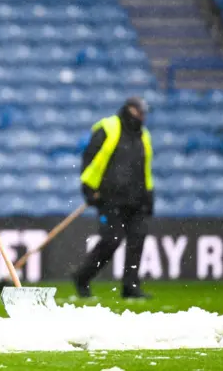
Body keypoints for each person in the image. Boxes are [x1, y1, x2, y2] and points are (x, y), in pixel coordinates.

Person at [71, 97, 155, 299]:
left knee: (137, 240)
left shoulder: (144, 135)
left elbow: (145, 168)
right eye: (139, 112)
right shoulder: (108, 127)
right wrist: (89, 189)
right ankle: (82, 277)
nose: (142, 117)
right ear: (130, 110)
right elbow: (90, 158)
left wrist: (149, 196)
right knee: (112, 240)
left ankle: (130, 286)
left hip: (137, 200)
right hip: (109, 199)